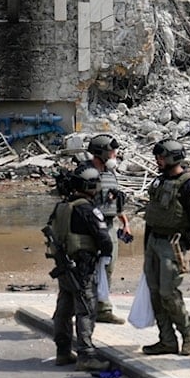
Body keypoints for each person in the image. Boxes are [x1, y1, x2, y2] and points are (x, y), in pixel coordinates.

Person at [140, 139, 190, 356]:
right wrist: (146, 247)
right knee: (155, 294)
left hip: (174, 245)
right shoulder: (159, 182)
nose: (157, 161)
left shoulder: (189, 185)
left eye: (160, 157)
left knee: (168, 293)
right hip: (154, 243)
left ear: (172, 158)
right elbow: (152, 216)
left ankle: (188, 335)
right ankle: (166, 340)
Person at [44, 165, 113, 372]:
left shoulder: (62, 207)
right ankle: (86, 355)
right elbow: (105, 241)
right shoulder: (86, 209)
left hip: (64, 266)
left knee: (64, 309)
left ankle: (63, 351)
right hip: (82, 267)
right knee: (86, 310)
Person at [85, 134, 131, 325]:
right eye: (111, 151)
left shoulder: (110, 174)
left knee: (108, 268)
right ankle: (84, 309)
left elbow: (116, 201)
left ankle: (103, 309)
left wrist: (125, 223)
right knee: (88, 271)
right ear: (101, 153)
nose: (114, 155)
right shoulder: (86, 175)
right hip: (91, 228)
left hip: (110, 226)